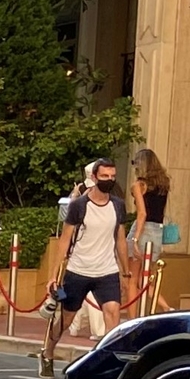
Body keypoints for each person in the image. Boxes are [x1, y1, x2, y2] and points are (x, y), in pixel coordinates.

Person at [41, 156, 126, 367]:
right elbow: (64, 240)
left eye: (113, 176)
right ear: (94, 177)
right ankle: (48, 352)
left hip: (107, 269)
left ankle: (109, 361)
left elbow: (120, 239)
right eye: (105, 176)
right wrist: (53, 274)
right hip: (78, 269)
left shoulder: (118, 205)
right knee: (67, 319)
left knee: (113, 312)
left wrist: (125, 271)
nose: (109, 179)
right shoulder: (80, 205)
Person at [130, 146, 173, 310]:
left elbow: (142, 213)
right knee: (144, 276)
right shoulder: (164, 184)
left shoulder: (139, 185)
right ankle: (166, 307)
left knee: (132, 278)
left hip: (143, 229)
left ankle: (132, 319)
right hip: (157, 231)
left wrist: (135, 238)